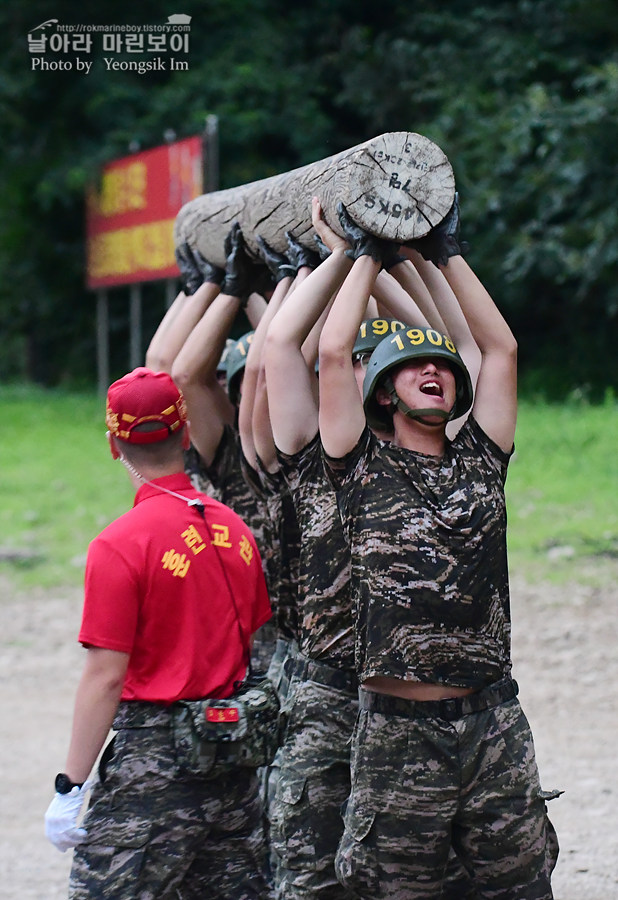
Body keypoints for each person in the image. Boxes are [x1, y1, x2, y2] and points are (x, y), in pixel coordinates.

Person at [317, 198, 560, 899]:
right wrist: (363, 251)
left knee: (521, 885)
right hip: (399, 732)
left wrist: (444, 253)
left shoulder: (482, 461)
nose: (434, 371)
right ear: (382, 394)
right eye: (413, 366)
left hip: (492, 720)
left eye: (443, 367)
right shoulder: (359, 465)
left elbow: (501, 350)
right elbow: (334, 352)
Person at [44, 367, 273, 899]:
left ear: (112, 445)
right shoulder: (235, 530)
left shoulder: (119, 545)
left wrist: (71, 786)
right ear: (186, 434)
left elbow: (104, 677)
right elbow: (253, 644)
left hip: (153, 769)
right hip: (233, 759)